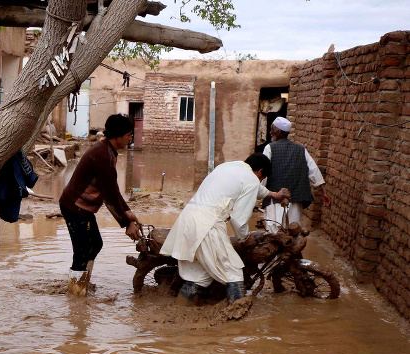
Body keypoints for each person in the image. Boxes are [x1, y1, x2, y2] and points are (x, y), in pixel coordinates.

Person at [160, 154, 290, 305]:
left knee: (198, 276)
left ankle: (179, 313)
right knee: (234, 273)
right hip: (208, 225)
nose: (259, 181)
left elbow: (253, 187)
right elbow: (238, 220)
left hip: (187, 219)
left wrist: (274, 194)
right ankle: (236, 320)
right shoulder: (252, 180)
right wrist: (246, 238)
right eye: (262, 178)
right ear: (260, 172)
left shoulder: (227, 167)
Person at [58, 114, 141, 296]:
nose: (130, 139)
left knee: (95, 244)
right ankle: (76, 296)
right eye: (129, 135)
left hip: (82, 209)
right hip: (75, 207)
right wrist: (127, 223)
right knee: (82, 251)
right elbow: (110, 196)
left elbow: (113, 189)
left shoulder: (108, 151)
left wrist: (127, 211)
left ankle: (82, 283)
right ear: (118, 136)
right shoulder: (103, 155)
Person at [262, 116, 331, 230]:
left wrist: (260, 191)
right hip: (295, 200)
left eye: (271, 129)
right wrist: (324, 192)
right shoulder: (301, 149)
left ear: (278, 132)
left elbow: (263, 171)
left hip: (275, 200)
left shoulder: (269, 148)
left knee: (273, 233)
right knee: (293, 231)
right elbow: (314, 170)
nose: (270, 132)